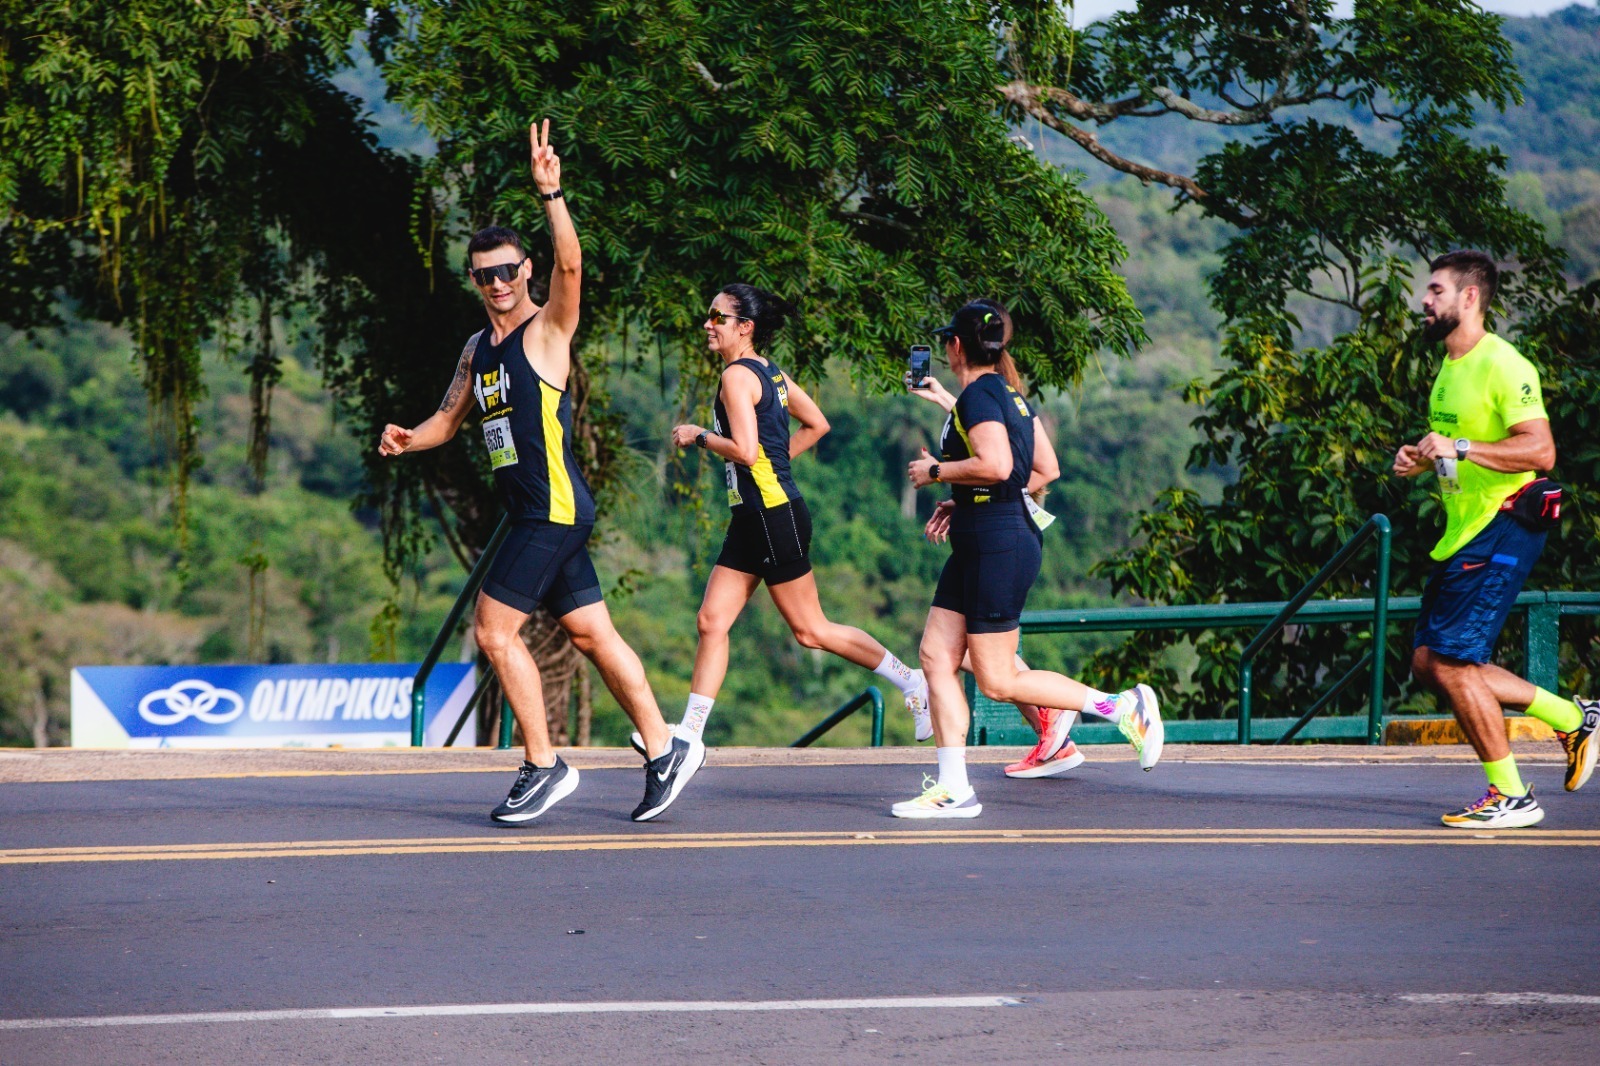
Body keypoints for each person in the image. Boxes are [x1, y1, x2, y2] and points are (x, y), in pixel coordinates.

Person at [379, 121, 700, 825]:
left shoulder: (546, 330)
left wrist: (551, 193)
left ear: (526, 270)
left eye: (508, 270)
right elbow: (449, 418)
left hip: (550, 508)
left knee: (494, 631)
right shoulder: (477, 349)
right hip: (537, 510)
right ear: (473, 279)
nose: (497, 282)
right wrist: (410, 438)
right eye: (484, 273)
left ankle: (543, 764)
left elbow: (574, 268)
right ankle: (664, 748)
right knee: (593, 635)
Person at [899, 300, 1164, 818]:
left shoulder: (979, 397)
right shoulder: (1009, 397)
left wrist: (937, 473)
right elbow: (1043, 470)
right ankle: (954, 788)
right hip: (989, 538)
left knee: (997, 679)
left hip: (998, 546)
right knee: (936, 655)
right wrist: (969, 499)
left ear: (955, 346)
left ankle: (1121, 707)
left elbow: (997, 465)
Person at [661, 284, 930, 752]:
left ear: (745, 328)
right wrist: (773, 464)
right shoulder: (770, 372)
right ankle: (691, 731)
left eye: (717, 317)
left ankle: (912, 682)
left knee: (811, 630)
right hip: (752, 515)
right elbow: (816, 424)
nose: (708, 324)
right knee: (711, 621)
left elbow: (745, 451)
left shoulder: (737, 377)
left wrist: (698, 434)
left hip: (771, 515)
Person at [1393, 249, 1597, 829]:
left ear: (1469, 297)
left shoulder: (1505, 365)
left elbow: (1540, 451)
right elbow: (1460, 449)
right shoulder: (1450, 369)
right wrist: (1422, 457)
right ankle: (1571, 717)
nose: (1425, 301)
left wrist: (1456, 448)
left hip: (1503, 523)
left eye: (1435, 291)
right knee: (1431, 662)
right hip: (1465, 530)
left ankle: (1512, 795)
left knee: (1454, 662)